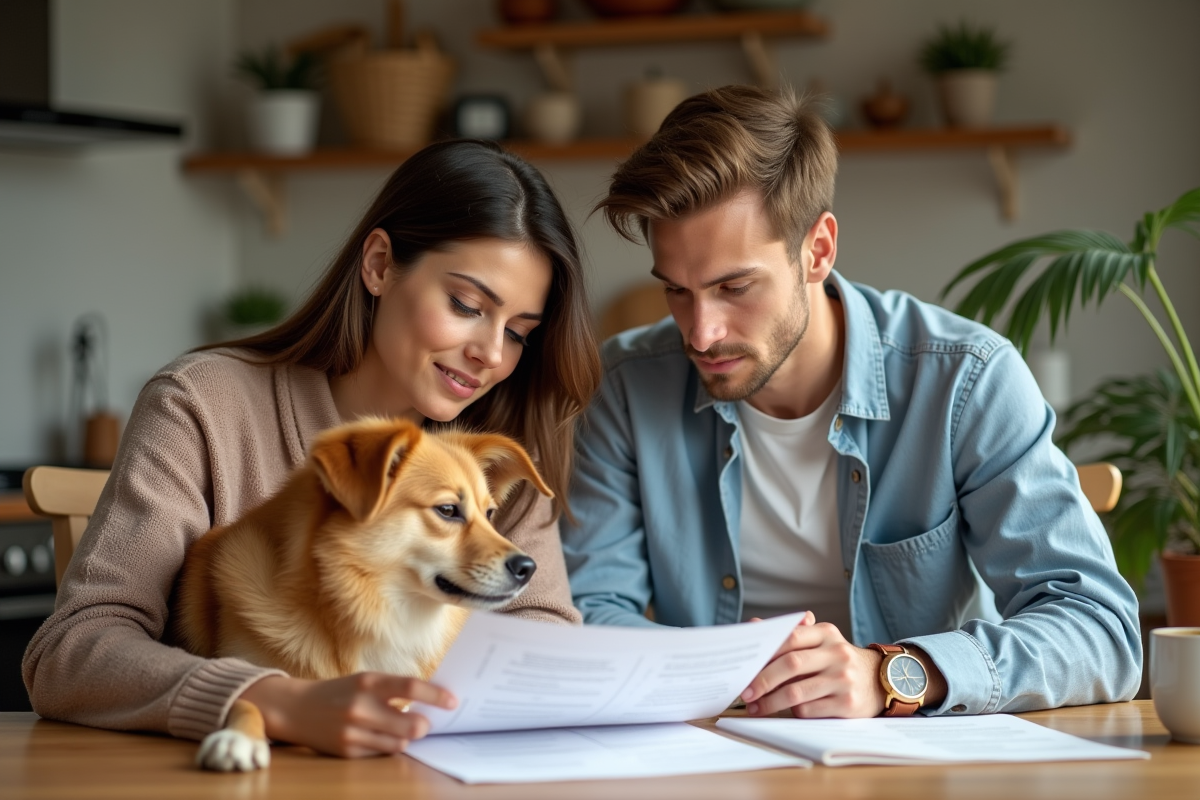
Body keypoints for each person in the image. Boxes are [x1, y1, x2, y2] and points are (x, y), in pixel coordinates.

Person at [562, 86, 1141, 720]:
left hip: (918, 762)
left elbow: (1100, 632)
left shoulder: (965, 381)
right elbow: (590, 612)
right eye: (677, 290)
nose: (700, 332)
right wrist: (732, 675)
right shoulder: (623, 384)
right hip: (714, 746)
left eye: (734, 287)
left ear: (818, 249)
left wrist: (891, 673)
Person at [23, 140, 601, 757]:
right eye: (466, 305)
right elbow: (71, 652)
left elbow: (545, 645)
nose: (491, 353)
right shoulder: (202, 404)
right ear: (379, 264)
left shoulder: (495, 452)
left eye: (517, 333)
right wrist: (271, 700)